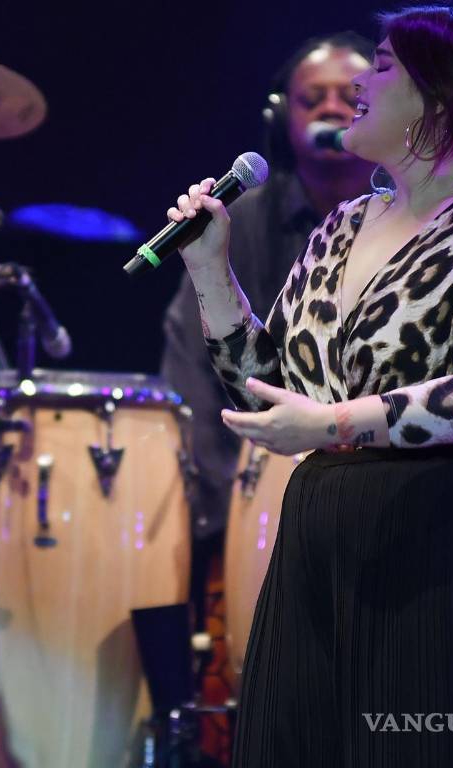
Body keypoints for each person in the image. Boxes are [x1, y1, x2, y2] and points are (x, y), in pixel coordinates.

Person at [168, 6, 453, 766]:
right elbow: (269, 390)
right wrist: (210, 268)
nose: (357, 87)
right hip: (327, 526)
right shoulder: (346, 224)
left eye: (380, 68)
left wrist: (334, 424)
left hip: (449, 531)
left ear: (436, 97)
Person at [160, 35, 375, 649]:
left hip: (376, 489)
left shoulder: (408, 225)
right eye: (313, 99)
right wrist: (230, 500)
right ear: (283, 117)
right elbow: (196, 372)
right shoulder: (244, 219)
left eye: (351, 96)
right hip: (255, 496)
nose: (332, 109)